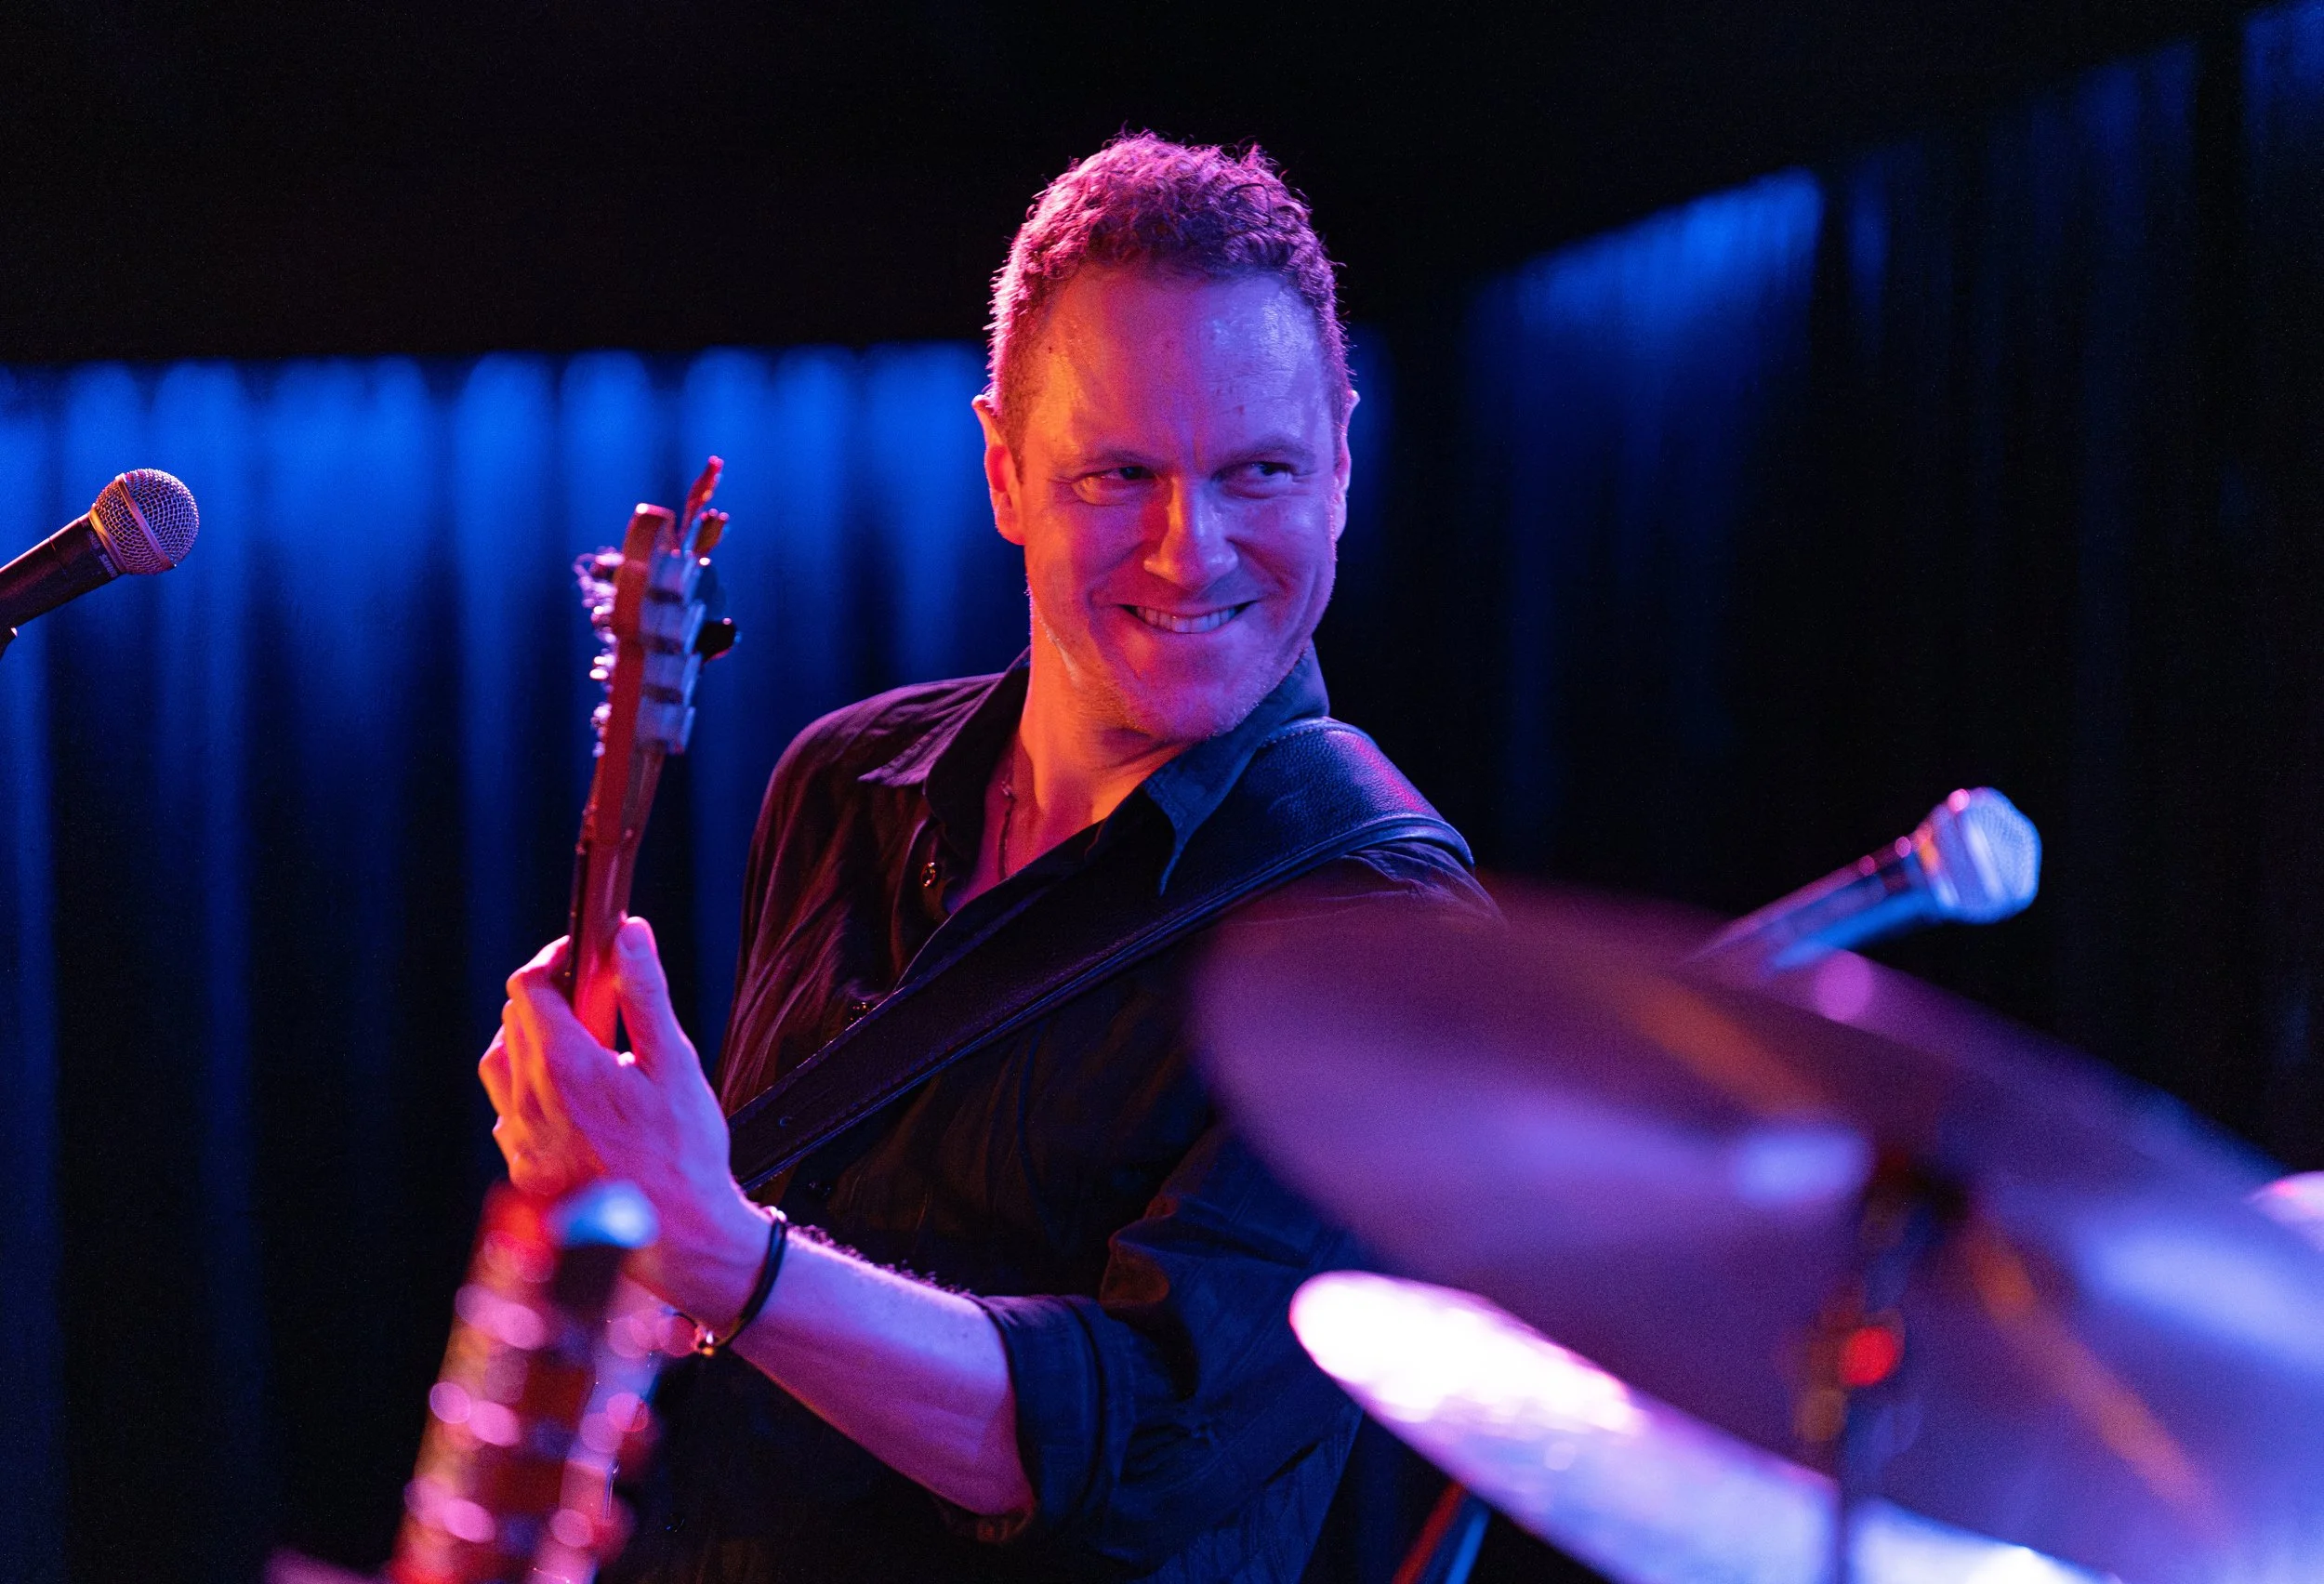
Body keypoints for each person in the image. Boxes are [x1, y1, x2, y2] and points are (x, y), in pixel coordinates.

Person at [480, 134, 1492, 1582]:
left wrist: (723, 1255)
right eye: (1119, 473)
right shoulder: (844, 785)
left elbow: (1143, 1442)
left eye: (1259, 471)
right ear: (1007, 471)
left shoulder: (1384, 931)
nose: (1189, 547)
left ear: (1341, 465)